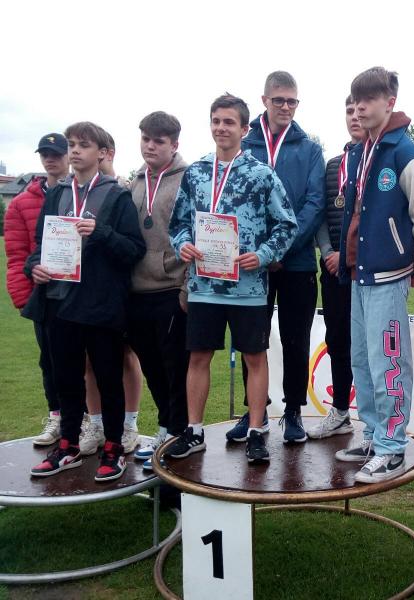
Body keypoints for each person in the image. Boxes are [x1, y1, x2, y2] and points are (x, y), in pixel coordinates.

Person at [166, 94, 297, 465]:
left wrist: (264, 255)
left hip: (248, 287)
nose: (221, 128)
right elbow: (178, 224)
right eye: (216, 121)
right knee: (198, 356)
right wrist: (183, 245)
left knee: (255, 357)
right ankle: (194, 431)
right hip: (203, 285)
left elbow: (287, 224)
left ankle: (256, 431)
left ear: (244, 128)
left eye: (228, 122)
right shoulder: (196, 173)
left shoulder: (261, 174)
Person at [334, 66, 414, 483]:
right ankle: (373, 436)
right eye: (355, 101)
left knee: (389, 364)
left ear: (390, 102)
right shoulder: (362, 151)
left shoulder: (406, 154)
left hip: (387, 275)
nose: (359, 108)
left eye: (368, 100)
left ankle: (393, 447)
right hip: (359, 275)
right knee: (362, 361)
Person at [25, 121, 145, 481]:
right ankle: (68, 446)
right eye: (72, 144)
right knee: (66, 379)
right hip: (60, 302)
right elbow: (40, 246)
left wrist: (102, 232)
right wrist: (35, 267)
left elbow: (134, 250)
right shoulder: (58, 193)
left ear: (102, 153)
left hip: (101, 305)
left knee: (108, 379)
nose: (75, 150)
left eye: (83, 145)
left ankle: (113, 448)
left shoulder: (116, 195)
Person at [227, 71, 325, 444]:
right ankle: (255, 411)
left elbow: (314, 203)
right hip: (251, 264)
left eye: (292, 101)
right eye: (279, 100)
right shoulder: (244, 144)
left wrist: (279, 248)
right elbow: (232, 202)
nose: (286, 106)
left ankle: (294, 410)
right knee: (251, 340)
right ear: (264, 101)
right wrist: (259, 252)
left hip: (296, 262)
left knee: (296, 339)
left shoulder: (310, 149)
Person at [126, 111, 191, 470]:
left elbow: (197, 234)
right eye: (146, 139)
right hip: (138, 290)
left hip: (171, 288)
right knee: (151, 366)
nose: (150, 146)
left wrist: (186, 288)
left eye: (158, 141)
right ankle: (166, 426)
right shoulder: (135, 182)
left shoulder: (188, 179)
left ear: (174, 144)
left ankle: (178, 432)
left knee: (175, 368)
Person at [81, 128, 144, 455]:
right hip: (88, 291)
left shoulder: (124, 190)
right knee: (89, 361)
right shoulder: (80, 191)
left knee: (126, 356)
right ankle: (95, 423)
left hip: (125, 288)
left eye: (90, 148)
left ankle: (130, 423)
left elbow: (133, 245)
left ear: (107, 153)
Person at [4, 133, 69, 446]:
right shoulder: (20, 203)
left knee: (87, 363)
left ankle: (87, 419)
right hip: (43, 295)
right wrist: (24, 296)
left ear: (69, 155)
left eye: (55, 153)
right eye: (45, 154)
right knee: (50, 360)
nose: (50, 159)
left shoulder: (83, 194)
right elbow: (17, 254)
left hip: (80, 293)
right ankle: (56, 416)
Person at [307, 95, 364, 440]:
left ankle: (377, 425)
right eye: (349, 111)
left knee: (369, 345)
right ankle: (340, 411)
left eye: (360, 110)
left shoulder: (380, 162)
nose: (355, 116)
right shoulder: (332, 166)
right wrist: (330, 253)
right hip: (332, 270)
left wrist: (348, 256)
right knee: (338, 339)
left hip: (369, 272)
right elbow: (320, 214)